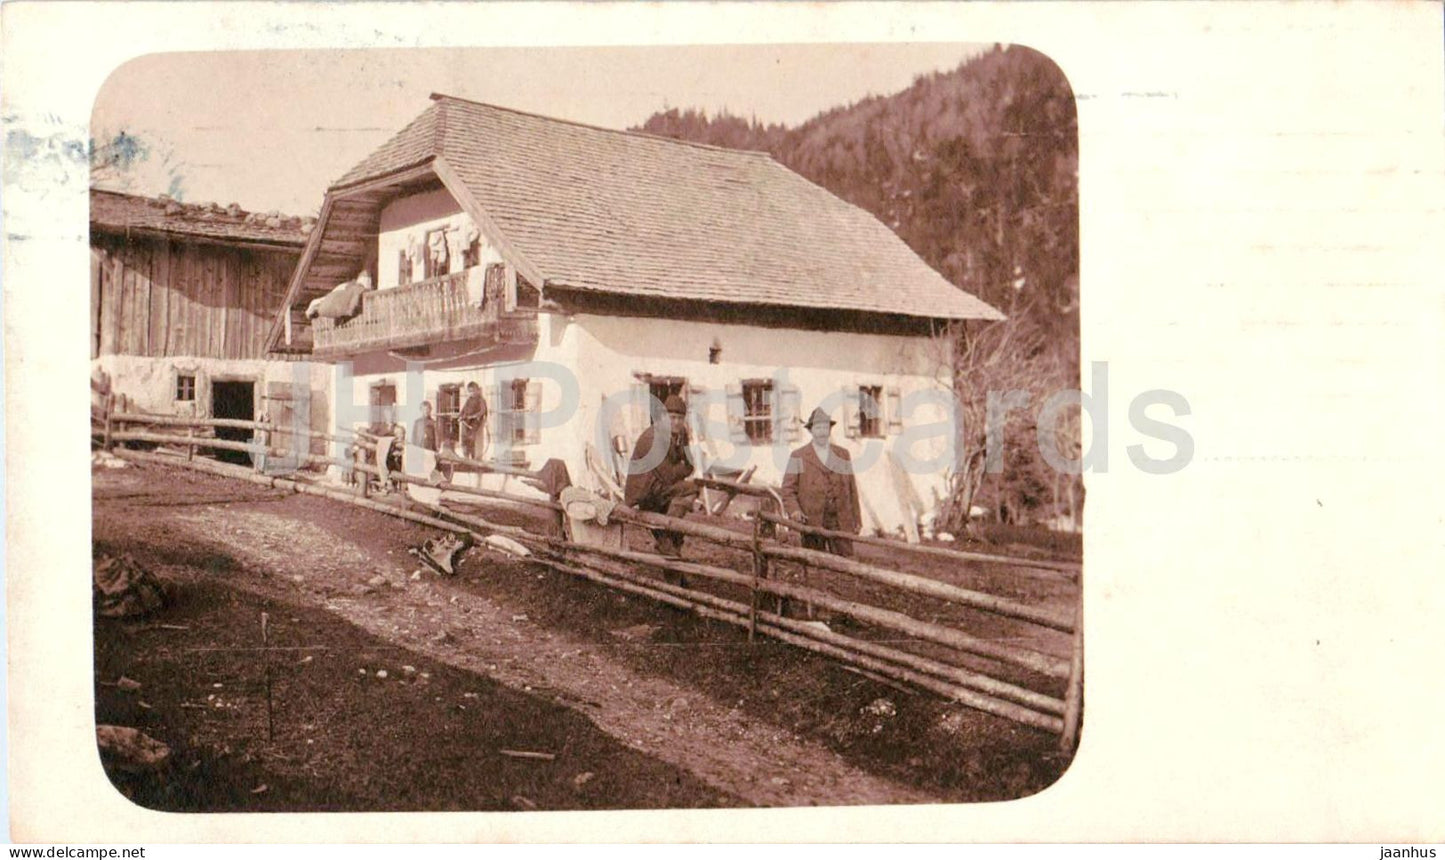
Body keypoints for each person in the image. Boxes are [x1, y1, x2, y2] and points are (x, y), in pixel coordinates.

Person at [781, 406, 862, 557]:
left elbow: (852, 489)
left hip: (840, 520)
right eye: (818, 428)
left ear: (830, 430)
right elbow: (787, 490)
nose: (822, 432)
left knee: (845, 563)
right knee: (814, 562)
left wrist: (856, 518)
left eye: (825, 427)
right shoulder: (797, 456)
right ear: (811, 430)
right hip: (812, 520)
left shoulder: (843, 455)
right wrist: (795, 511)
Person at [624, 394, 698, 559]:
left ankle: (670, 532)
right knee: (691, 488)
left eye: (680, 418)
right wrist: (681, 468)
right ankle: (670, 528)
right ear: (663, 417)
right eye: (672, 417)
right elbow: (669, 476)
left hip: (660, 490)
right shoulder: (653, 438)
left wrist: (680, 468)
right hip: (643, 494)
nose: (677, 422)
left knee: (672, 541)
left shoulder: (682, 433)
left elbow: (691, 464)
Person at [458, 381, 488, 461]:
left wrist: (474, 416)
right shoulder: (468, 400)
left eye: (473, 391)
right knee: (464, 439)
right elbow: (463, 410)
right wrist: (460, 416)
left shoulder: (480, 400)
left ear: (478, 390)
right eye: (470, 392)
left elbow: (483, 411)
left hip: (474, 422)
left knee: (471, 439)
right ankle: (466, 457)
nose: (472, 393)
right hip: (466, 422)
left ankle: (473, 457)